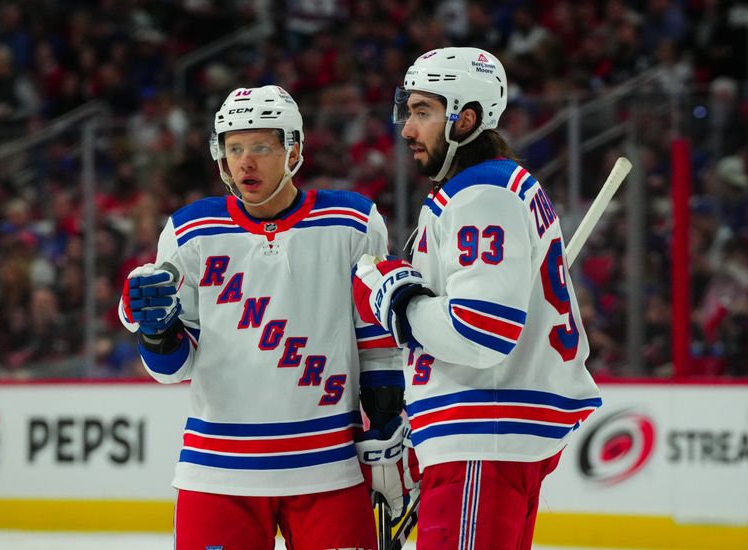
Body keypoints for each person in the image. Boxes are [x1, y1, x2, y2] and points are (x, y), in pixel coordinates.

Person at [119, 85, 404, 550]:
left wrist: (388, 417)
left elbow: (374, 338)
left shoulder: (353, 223)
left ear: (294, 149)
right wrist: (157, 334)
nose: (245, 162)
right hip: (217, 472)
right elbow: (173, 370)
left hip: (328, 466)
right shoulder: (190, 231)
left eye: (261, 147)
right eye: (234, 148)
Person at [352, 48, 603, 549]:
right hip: (490, 435)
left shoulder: (482, 194)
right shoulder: (489, 190)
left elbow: (481, 331)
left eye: (423, 112)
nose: (406, 129)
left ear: (465, 118)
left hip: (483, 431)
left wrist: (397, 300)